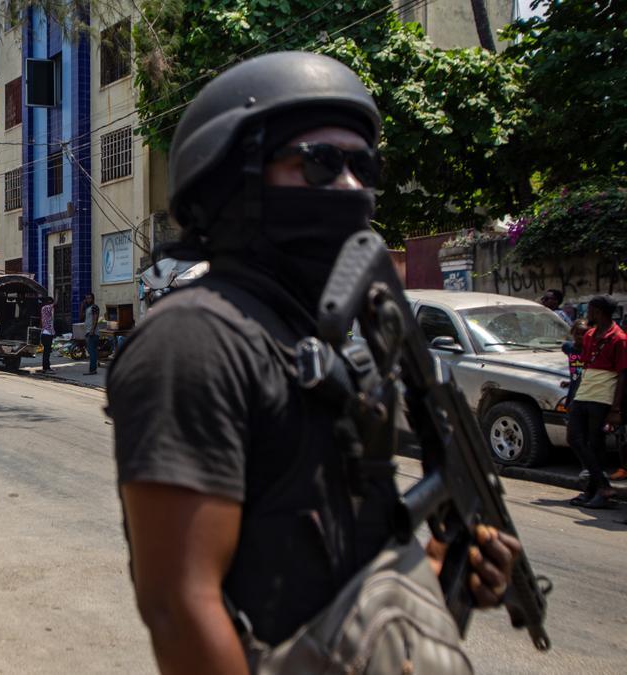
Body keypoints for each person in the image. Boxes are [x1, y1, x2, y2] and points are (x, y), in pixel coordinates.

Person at [106, 52, 520, 672]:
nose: (353, 187)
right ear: (234, 181)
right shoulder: (193, 340)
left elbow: (327, 566)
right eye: (323, 163)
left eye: (364, 166)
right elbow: (179, 607)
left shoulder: (313, 343)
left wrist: (439, 568)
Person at [567, 296, 627, 507]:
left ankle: (595, 490)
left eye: (590, 310)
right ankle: (601, 485)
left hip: (603, 394)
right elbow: (584, 363)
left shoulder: (619, 338)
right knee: (574, 438)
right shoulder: (591, 334)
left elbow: (622, 374)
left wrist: (616, 408)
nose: (587, 314)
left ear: (599, 312)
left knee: (595, 443)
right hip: (585, 390)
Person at [80, 293, 100, 375]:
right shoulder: (87, 308)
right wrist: (82, 306)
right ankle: (94, 368)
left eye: (89, 298)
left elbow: (95, 319)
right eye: (86, 298)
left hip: (92, 333)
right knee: (92, 351)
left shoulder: (94, 307)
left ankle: (92, 370)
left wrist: (92, 330)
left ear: (93, 299)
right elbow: (81, 318)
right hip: (88, 332)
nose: (88, 300)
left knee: (92, 352)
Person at [39, 296, 56, 374]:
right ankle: (46, 368)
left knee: (46, 352)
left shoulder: (43, 308)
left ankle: (46, 367)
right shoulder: (46, 307)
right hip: (47, 333)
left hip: (45, 333)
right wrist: (58, 295)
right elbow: (53, 305)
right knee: (47, 352)